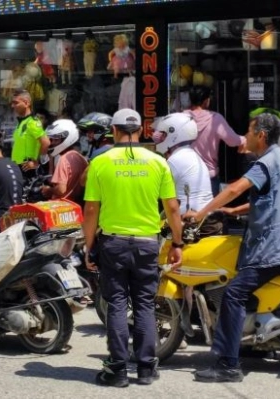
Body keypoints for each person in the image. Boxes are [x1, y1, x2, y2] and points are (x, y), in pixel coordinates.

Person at [187, 113, 280, 383]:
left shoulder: (265, 163)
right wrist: (234, 211)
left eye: (249, 130)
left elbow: (235, 188)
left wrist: (200, 214)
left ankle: (228, 365)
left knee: (233, 294)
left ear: (262, 136)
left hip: (278, 249)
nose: (246, 136)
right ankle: (251, 343)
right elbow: (273, 196)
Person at [83, 109, 183, 387]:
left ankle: (116, 370)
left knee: (116, 303)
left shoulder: (100, 163)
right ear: (141, 130)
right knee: (144, 305)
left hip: (112, 243)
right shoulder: (158, 162)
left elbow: (91, 209)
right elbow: (172, 208)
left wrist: (88, 244)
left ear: (114, 131)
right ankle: (146, 369)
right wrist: (177, 242)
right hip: (147, 243)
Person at [152, 113, 218, 234]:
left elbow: (154, 191)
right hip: (200, 217)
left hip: (188, 222)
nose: (159, 138)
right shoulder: (189, 154)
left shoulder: (176, 160)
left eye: (163, 134)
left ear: (174, 135)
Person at [186, 86, 246, 196]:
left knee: (185, 212)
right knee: (209, 212)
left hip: (185, 176)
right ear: (206, 101)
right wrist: (244, 139)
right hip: (208, 178)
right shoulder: (215, 119)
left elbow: (157, 136)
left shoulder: (180, 117)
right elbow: (233, 140)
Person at [41, 120, 88, 205]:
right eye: (51, 140)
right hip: (76, 205)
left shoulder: (63, 159)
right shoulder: (81, 158)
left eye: (56, 140)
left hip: (61, 207)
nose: (52, 143)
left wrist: (49, 190)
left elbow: (61, 189)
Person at [10, 90, 51, 179]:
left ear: (26, 103)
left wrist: (37, 162)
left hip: (28, 169)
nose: (12, 106)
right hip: (19, 168)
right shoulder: (22, 122)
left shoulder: (32, 122)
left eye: (16, 103)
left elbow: (46, 142)